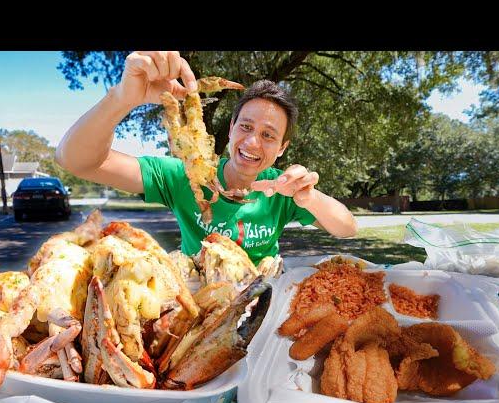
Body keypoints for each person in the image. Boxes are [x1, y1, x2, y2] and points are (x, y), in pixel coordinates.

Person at [56, 51, 358, 266]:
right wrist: (123, 98)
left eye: (269, 135)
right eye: (246, 126)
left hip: (264, 306)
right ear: (230, 129)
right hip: (199, 309)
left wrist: (308, 197)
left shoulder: (281, 188)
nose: (252, 141)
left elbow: (347, 227)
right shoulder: (183, 175)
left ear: (282, 147)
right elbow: (77, 161)